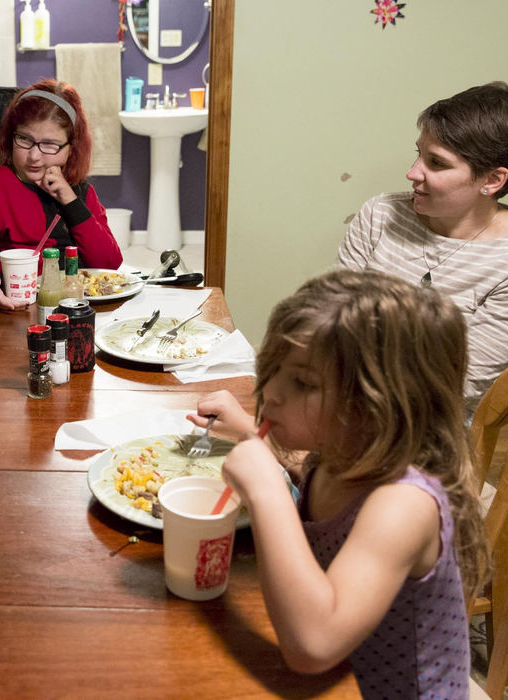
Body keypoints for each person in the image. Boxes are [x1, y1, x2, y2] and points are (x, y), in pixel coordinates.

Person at [188, 269, 488, 698]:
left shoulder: (403, 504)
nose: (269, 393)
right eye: (272, 371)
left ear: (379, 403)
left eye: (303, 383)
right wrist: (247, 430)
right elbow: (305, 468)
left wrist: (266, 488)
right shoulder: (339, 453)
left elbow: (313, 645)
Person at [336, 81, 508, 416]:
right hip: (339, 394)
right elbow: (333, 319)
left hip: (427, 425)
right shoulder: (379, 214)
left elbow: (459, 380)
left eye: (436, 163)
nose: (412, 173)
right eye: (419, 154)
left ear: (492, 180)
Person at [0, 80, 122, 310]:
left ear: (70, 149)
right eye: (24, 139)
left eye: (50, 145)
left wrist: (70, 200)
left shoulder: (79, 191)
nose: (34, 156)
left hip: (77, 308)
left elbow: (109, 264)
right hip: (17, 306)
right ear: (10, 136)